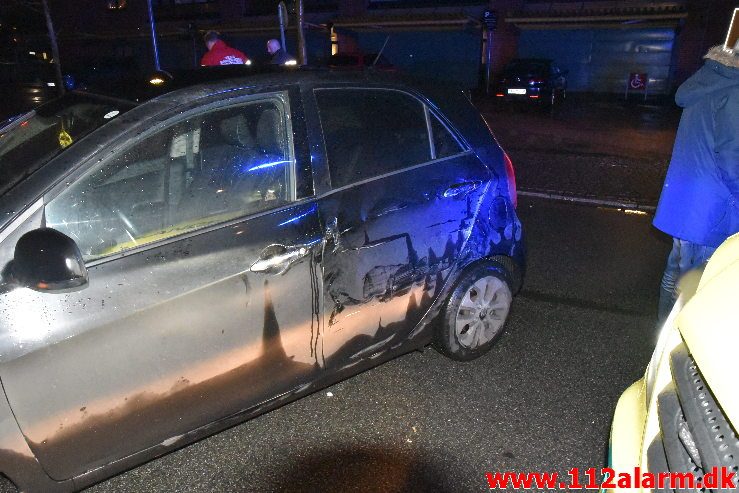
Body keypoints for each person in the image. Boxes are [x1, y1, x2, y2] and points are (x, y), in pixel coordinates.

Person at [653, 42, 739, 323]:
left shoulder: (707, 81)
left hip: (684, 198)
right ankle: (677, 341)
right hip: (710, 205)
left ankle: (662, 333)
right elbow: (731, 159)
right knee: (694, 280)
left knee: (676, 270)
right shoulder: (734, 90)